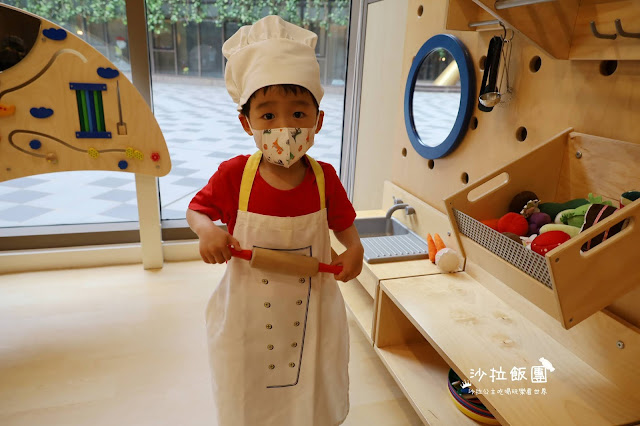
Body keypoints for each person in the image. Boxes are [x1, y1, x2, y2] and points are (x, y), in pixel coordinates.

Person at [186, 15, 364, 426]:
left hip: (313, 310)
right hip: (248, 312)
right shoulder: (235, 175)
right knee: (248, 386)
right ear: (246, 123)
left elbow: (343, 225)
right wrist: (208, 230)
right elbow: (197, 210)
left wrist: (354, 248)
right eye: (268, 117)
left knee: (312, 384)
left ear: (318, 121)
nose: (285, 128)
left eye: (298, 113)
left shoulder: (324, 178)